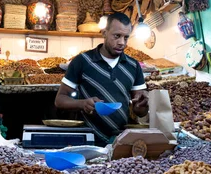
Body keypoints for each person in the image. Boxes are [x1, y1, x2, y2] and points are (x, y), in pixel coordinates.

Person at [54, 12, 149, 144]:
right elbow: (60, 100)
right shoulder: (82, 61)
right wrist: (82, 103)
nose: (122, 42)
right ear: (104, 33)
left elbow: (141, 110)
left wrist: (141, 107)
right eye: (117, 36)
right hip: (88, 138)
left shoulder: (133, 66)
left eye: (126, 38)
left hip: (122, 139)